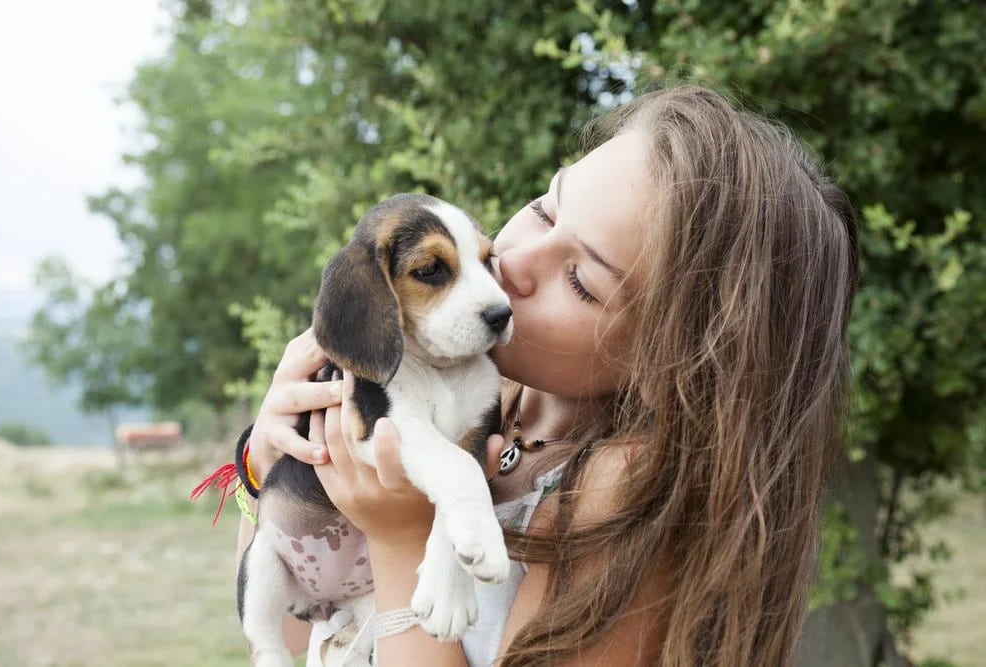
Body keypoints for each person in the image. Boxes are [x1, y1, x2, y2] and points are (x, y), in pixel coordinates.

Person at [235, 85, 860, 666]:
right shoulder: (469, 393)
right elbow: (298, 626)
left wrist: (401, 541)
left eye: (582, 281)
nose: (509, 267)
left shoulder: (616, 493)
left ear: (670, 363)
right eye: (543, 210)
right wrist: (265, 462)